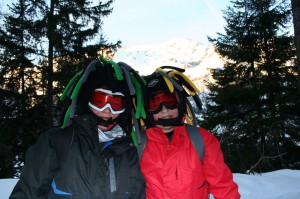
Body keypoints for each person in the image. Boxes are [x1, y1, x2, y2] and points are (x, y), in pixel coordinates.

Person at [9, 58, 146, 199]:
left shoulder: (127, 149)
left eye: (116, 104)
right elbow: (28, 191)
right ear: (86, 100)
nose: (107, 110)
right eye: (100, 101)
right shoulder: (58, 142)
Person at [139, 68, 240, 199]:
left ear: (180, 102)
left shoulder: (201, 140)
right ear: (146, 110)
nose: (164, 111)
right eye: (155, 104)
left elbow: (222, 185)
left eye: (170, 101)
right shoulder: (139, 144)